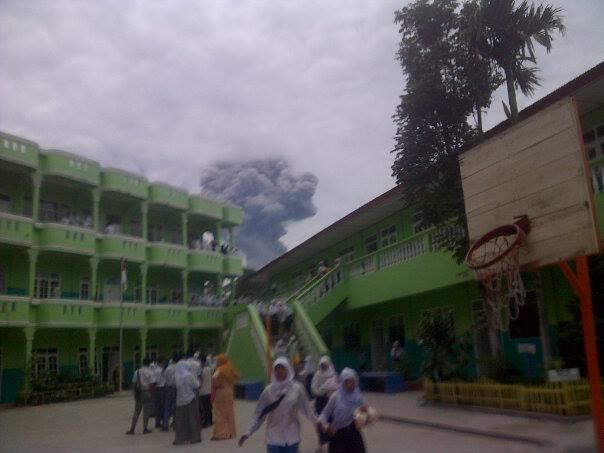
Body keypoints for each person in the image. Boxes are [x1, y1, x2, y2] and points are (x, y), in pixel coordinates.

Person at [239, 357, 317, 453]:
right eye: (277, 369)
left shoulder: (297, 388)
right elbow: (259, 414)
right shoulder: (268, 391)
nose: (279, 372)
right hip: (273, 436)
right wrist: (248, 432)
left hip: (291, 436)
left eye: (282, 369)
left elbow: (307, 409)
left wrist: (319, 423)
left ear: (288, 369)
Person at [318, 368, 368, 453]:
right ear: (342, 382)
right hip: (338, 435)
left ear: (356, 381)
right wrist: (327, 427)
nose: (349, 385)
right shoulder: (336, 396)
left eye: (352, 381)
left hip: (354, 436)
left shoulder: (359, 398)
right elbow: (323, 415)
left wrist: (364, 414)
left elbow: (362, 422)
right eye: (347, 382)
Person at [311, 356, 339, 453]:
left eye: (325, 364)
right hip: (320, 402)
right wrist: (320, 391)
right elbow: (313, 387)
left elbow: (337, 387)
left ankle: (333, 444)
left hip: (331, 400)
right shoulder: (318, 375)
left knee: (331, 423)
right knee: (320, 424)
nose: (323, 366)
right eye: (322, 364)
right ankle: (321, 446)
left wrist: (330, 389)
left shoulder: (333, 374)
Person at [174, 355, 201, 445]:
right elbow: (196, 385)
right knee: (193, 418)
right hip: (190, 399)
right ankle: (195, 437)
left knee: (180, 420)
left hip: (179, 400)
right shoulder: (189, 375)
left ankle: (179, 438)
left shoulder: (176, 376)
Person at [211, 354, 240, 440]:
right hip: (229, 391)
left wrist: (217, 384)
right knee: (229, 412)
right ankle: (231, 432)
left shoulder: (219, 370)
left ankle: (221, 434)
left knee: (220, 413)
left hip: (221, 392)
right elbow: (238, 375)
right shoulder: (229, 367)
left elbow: (213, 379)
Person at [126, 358, 156, 435]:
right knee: (146, 412)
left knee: (136, 412)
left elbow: (134, 383)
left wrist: (134, 393)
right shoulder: (150, 372)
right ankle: (145, 428)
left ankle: (132, 429)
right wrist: (152, 394)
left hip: (139, 393)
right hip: (147, 392)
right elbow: (152, 384)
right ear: (149, 364)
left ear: (143, 363)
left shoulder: (137, 371)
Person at [162, 355, 177, 432]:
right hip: (176, 388)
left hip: (168, 388)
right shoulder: (178, 368)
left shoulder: (168, 369)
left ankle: (165, 425)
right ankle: (175, 424)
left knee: (167, 407)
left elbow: (165, 379)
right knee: (175, 406)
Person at [199, 354, 214, 428]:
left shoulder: (202, 370)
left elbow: (200, 381)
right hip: (209, 390)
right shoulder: (210, 369)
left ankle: (205, 422)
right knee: (209, 407)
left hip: (202, 391)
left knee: (203, 408)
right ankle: (210, 420)